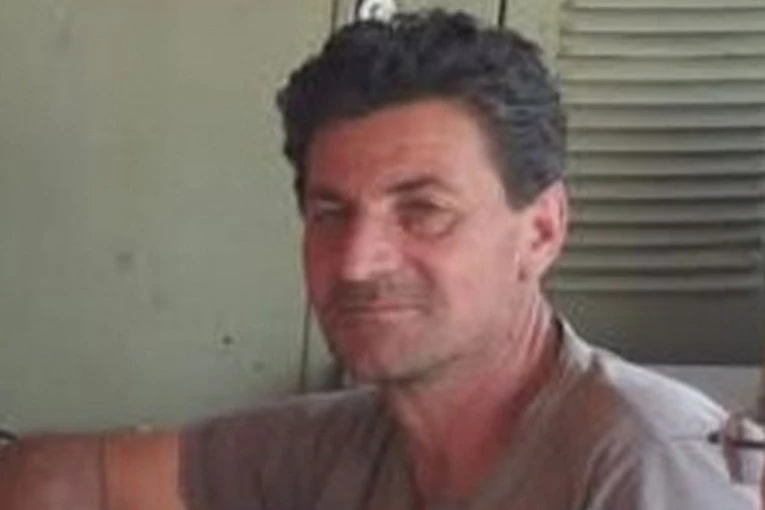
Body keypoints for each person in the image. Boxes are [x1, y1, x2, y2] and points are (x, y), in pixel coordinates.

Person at [0, 9, 758, 509]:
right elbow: (56, 479)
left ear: (540, 231)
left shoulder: (648, 469)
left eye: (422, 210)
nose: (358, 262)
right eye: (330, 213)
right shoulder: (353, 440)